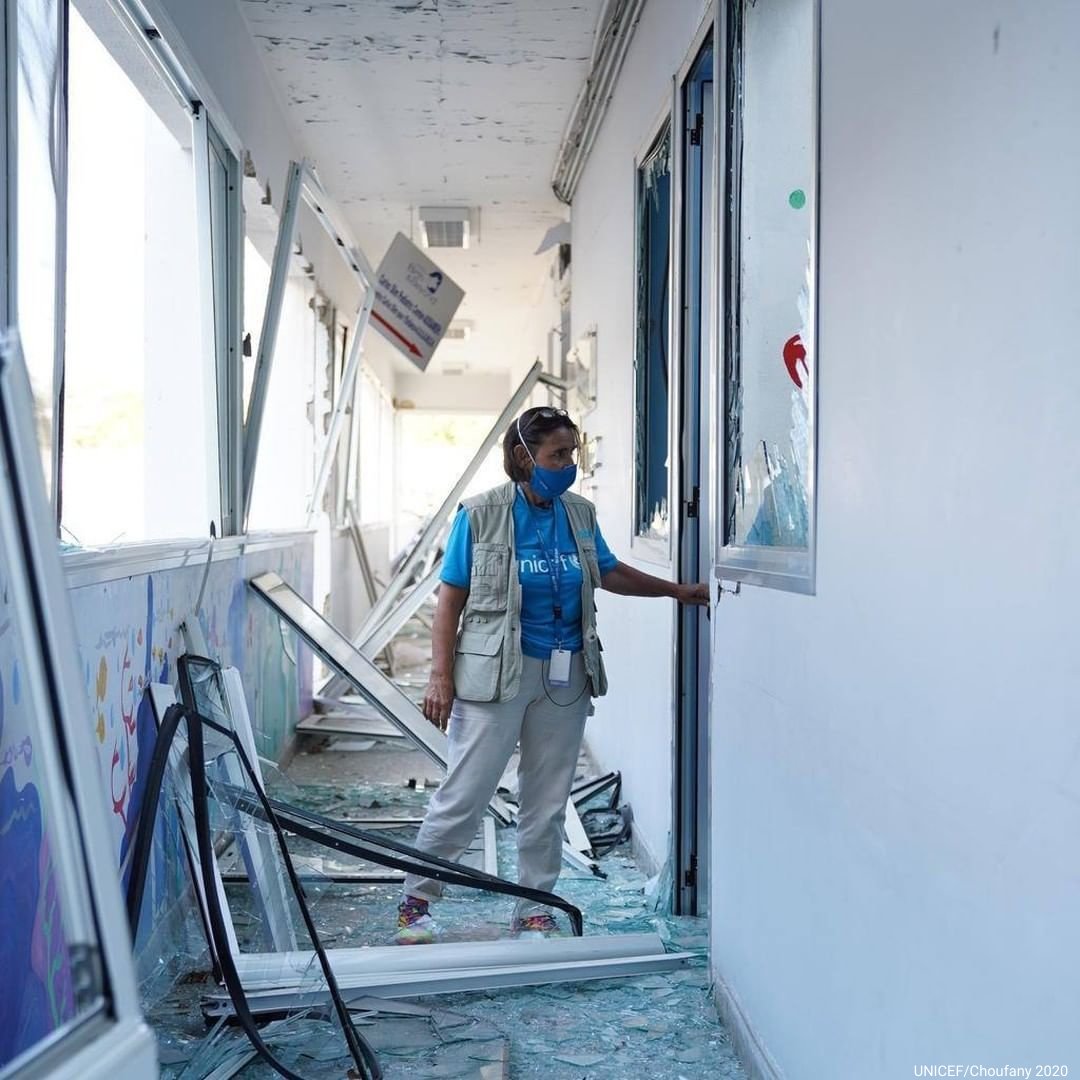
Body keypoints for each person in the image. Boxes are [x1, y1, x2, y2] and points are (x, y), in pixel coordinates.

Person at [395, 406, 709, 944]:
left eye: (573, 453)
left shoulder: (579, 513)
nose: (570, 465)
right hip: (496, 675)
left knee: (547, 800)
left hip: (567, 674)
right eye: (558, 455)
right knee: (466, 793)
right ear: (524, 457)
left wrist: (676, 592)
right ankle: (415, 901)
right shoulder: (480, 514)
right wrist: (439, 676)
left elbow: (607, 571)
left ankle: (533, 909)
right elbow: (450, 600)